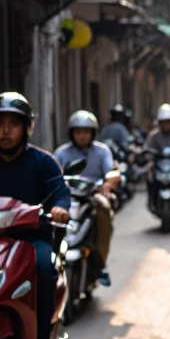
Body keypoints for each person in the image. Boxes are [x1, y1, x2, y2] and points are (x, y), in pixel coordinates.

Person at [0, 92, 70, 339]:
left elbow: (60, 193)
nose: (6, 131)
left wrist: (60, 209)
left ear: (26, 128)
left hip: (31, 239)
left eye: (13, 124)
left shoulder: (43, 162)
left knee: (45, 269)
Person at [54, 111, 119, 283]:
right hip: (67, 198)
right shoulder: (62, 152)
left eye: (86, 131)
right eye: (78, 131)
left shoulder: (102, 150)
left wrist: (107, 185)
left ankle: (101, 262)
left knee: (104, 208)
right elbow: (52, 174)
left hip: (92, 196)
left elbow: (112, 172)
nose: (82, 135)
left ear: (92, 133)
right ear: (72, 133)